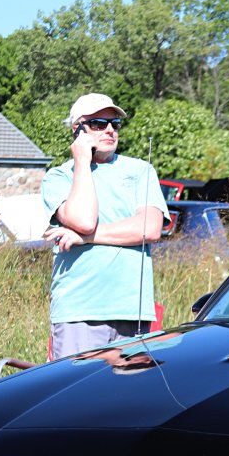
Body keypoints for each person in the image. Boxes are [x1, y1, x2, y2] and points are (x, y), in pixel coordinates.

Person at [41, 93, 169, 359]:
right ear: (77, 130)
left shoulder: (141, 170)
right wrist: (81, 162)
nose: (110, 130)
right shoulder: (58, 177)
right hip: (80, 312)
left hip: (133, 311)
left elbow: (150, 228)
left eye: (114, 124)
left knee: (131, 398)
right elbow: (84, 220)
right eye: (98, 123)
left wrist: (87, 239)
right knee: (79, 399)